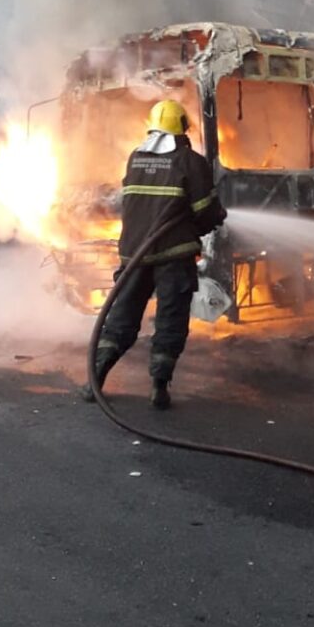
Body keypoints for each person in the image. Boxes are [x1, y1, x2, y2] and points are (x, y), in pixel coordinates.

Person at [84, 98, 226, 409]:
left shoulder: (135, 158)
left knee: (120, 318)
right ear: (183, 131)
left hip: (134, 254)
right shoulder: (191, 162)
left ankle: (96, 377)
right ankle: (159, 387)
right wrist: (213, 219)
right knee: (170, 320)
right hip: (173, 255)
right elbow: (205, 211)